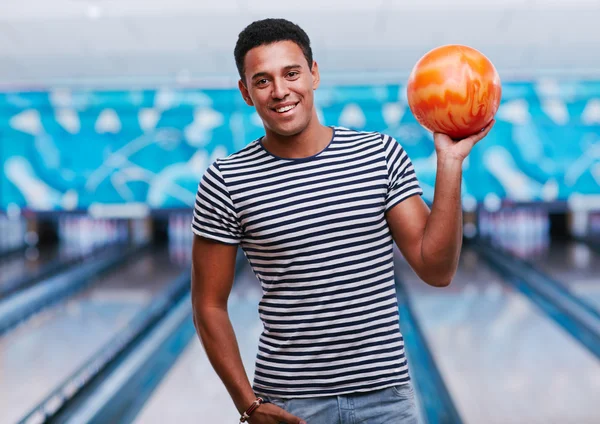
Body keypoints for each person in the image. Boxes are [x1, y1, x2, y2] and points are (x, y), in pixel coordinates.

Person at [190, 18, 494, 424]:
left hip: (385, 400)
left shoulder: (379, 154)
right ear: (246, 92)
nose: (280, 91)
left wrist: (450, 163)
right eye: (262, 81)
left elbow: (437, 270)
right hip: (288, 403)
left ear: (314, 75)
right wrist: (248, 404)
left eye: (292, 73)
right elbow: (208, 305)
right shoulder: (225, 180)